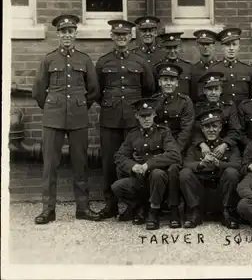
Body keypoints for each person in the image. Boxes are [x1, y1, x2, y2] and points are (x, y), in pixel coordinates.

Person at [32, 14, 101, 224]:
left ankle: (83, 207)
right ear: (58, 34)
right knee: (50, 165)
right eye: (63, 32)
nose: (67, 35)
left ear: (75, 34)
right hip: (52, 118)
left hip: (78, 118)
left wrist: (80, 106)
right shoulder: (49, 59)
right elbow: (38, 91)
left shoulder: (84, 59)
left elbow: (94, 90)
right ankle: (48, 210)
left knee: (80, 164)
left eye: (70, 31)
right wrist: (53, 106)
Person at [95, 19, 156, 219]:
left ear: (131, 37)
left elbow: (149, 89)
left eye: (125, 35)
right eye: (117, 34)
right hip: (110, 120)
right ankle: (110, 205)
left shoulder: (140, 62)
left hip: (133, 121)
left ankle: (133, 206)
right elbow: (96, 91)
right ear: (112, 36)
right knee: (109, 162)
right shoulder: (103, 62)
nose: (121, 38)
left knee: (134, 161)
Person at [112, 98, 182, 230]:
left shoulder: (163, 132)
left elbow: (174, 154)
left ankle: (154, 212)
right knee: (117, 187)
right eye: (142, 116)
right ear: (136, 116)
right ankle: (140, 207)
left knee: (157, 173)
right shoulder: (133, 135)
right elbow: (119, 156)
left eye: (149, 115)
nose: (146, 119)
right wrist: (133, 166)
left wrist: (148, 164)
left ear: (154, 114)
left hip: (161, 181)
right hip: (141, 179)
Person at [179, 108, 242, 229]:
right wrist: (201, 164)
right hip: (200, 193)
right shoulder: (196, 147)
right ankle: (194, 213)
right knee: (184, 173)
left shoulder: (228, 147)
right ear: (202, 129)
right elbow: (186, 163)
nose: (211, 130)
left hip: (221, 192)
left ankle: (226, 212)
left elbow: (237, 165)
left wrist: (219, 164)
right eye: (207, 127)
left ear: (220, 128)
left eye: (214, 126)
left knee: (232, 172)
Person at [192, 71, 242, 160]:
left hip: (226, 147)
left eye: (216, 89)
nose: (213, 93)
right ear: (204, 91)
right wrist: (202, 144)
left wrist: (224, 145)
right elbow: (194, 130)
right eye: (210, 89)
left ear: (221, 90)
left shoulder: (229, 107)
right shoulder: (198, 107)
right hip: (203, 148)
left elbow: (235, 129)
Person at [152, 63, 195, 155]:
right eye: (165, 80)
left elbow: (186, 131)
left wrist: (175, 151)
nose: (168, 83)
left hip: (179, 147)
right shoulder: (153, 101)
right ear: (159, 82)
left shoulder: (185, 102)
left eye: (172, 80)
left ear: (177, 83)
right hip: (157, 146)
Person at [206, 28, 252, 106]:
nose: (231, 48)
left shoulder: (248, 70)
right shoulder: (213, 69)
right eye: (227, 45)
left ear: (239, 47)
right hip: (222, 114)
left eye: (234, 44)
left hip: (242, 114)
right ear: (222, 47)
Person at [191, 29, 219, 103]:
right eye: (202, 44)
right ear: (197, 46)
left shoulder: (220, 68)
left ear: (214, 46)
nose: (205, 47)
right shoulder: (192, 69)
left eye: (208, 44)